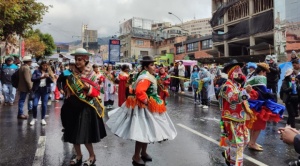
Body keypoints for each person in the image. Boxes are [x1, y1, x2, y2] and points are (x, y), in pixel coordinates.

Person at [106, 55, 177, 166]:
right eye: (152, 65)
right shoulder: (145, 77)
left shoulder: (148, 75)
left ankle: (143, 152)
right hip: (144, 108)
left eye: (154, 64)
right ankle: (136, 156)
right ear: (145, 67)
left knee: (147, 131)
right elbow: (140, 92)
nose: (154, 67)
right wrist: (148, 102)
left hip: (147, 107)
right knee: (142, 132)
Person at [62, 48, 107, 166]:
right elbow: (67, 87)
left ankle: (92, 156)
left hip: (86, 107)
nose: (77, 62)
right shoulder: (72, 74)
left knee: (85, 134)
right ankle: (78, 155)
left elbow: (97, 91)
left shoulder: (92, 74)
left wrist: (88, 89)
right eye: (76, 59)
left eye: (80, 59)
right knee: (73, 133)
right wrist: (66, 89)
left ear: (86, 60)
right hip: (72, 107)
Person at [219, 59, 255, 166]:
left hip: (240, 119)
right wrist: (245, 92)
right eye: (237, 71)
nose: (240, 73)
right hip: (231, 120)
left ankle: (228, 153)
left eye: (240, 70)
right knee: (238, 145)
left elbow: (242, 99)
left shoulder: (237, 86)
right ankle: (235, 163)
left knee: (245, 140)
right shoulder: (227, 86)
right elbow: (233, 99)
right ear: (231, 73)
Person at [245, 63, 285, 151]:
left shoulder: (251, 77)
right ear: (262, 71)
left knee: (253, 125)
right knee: (259, 125)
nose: (266, 74)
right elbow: (263, 92)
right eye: (265, 72)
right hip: (259, 105)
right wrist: (271, 95)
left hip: (252, 104)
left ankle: (251, 142)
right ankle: (252, 143)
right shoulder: (261, 78)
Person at [30, 61, 54, 126]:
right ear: (41, 65)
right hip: (37, 90)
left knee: (44, 105)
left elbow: (52, 81)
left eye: (46, 65)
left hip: (45, 90)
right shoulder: (36, 71)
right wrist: (41, 77)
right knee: (35, 105)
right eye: (44, 65)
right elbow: (32, 79)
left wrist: (48, 76)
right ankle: (34, 118)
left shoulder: (49, 71)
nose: (45, 67)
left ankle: (42, 119)